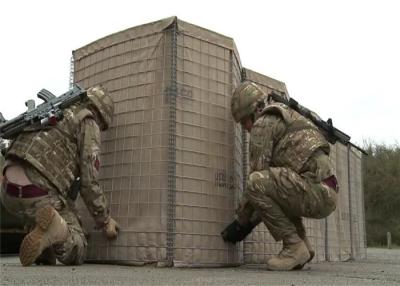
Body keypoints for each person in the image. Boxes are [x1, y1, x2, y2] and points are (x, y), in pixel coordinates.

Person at [221, 81, 338, 271]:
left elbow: (256, 183)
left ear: (254, 111)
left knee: (255, 183)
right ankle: (303, 247)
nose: (246, 128)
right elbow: (274, 191)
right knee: (280, 186)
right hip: (326, 193)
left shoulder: (263, 123)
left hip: (314, 191)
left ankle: (293, 247)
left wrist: (240, 223)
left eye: (244, 121)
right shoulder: (288, 115)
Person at [0, 86, 119, 266]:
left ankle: (45, 248)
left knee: (51, 212)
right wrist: (105, 220)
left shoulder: (55, 112)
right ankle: (56, 231)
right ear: (102, 115)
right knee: (78, 246)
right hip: (37, 191)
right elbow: (89, 181)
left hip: (7, 191)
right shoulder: (87, 120)